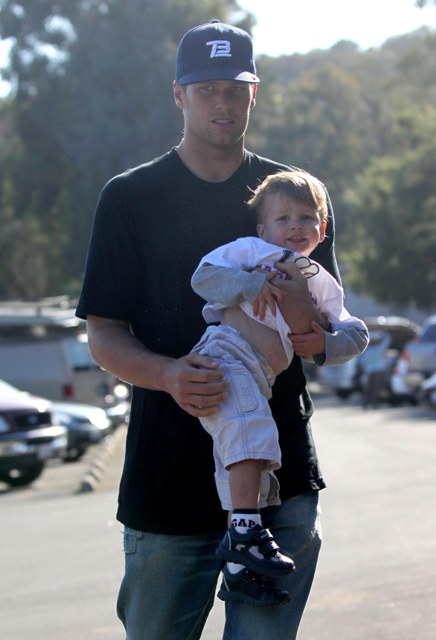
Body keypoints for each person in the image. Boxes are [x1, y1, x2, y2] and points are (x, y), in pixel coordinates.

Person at [76, 19, 341, 640]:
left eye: (234, 89)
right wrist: (168, 374)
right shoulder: (130, 197)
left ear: (254, 94)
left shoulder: (294, 197)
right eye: (205, 89)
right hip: (168, 483)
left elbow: (328, 329)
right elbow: (104, 333)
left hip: (279, 481)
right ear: (179, 94)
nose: (222, 102)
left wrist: (318, 334)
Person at [191, 170, 369, 605]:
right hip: (225, 355)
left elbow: (354, 330)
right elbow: (204, 277)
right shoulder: (253, 252)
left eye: (306, 218)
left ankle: (238, 571)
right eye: (283, 218)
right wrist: (251, 284)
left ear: (321, 230)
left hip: (261, 377)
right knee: (251, 434)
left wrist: (327, 344)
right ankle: (244, 535)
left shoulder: (321, 282)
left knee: (248, 462)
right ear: (262, 229)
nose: (295, 226)